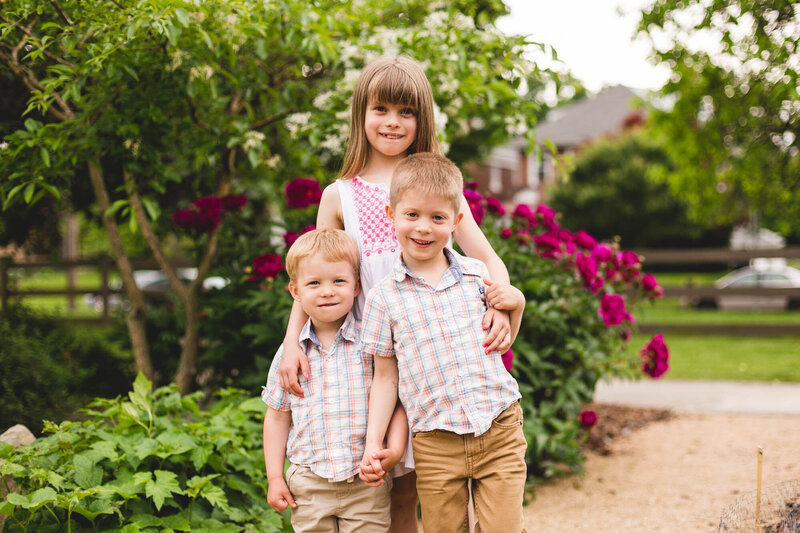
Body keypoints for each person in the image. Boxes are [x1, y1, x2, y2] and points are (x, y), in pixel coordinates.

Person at [275, 55, 523, 532]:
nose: (392, 122)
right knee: (387, 488)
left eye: (406, 112)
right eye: (381, 109)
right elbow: (313, 271)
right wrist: (291, 343)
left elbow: (488, 261)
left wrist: (508, 306)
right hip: (370, 362)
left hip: (431, 359)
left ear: (421, 119)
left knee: (428, 481)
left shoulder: (434, 187)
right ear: (361, 114)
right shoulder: (339, 195)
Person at [359, 153, 528, 533]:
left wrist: (516, 304)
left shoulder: (477, 277)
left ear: (456, 221)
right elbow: (385, 379)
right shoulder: (383, 298)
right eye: (413, 215)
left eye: (437, 218)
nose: (424, 228)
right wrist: (374, 442)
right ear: (390, 214)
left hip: (497, 426)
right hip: (435, 442)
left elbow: (500, 341)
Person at [262, 228, 408, 532]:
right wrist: (275, 477)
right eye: (314, 283)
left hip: (365, 482)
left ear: (356, 286)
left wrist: (392, 450)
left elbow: (397, 402)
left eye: (338, 281)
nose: (327, 291)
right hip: (309, 483)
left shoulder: (371, 344)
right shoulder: (290, 355)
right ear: (296, 292)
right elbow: (277, 416)